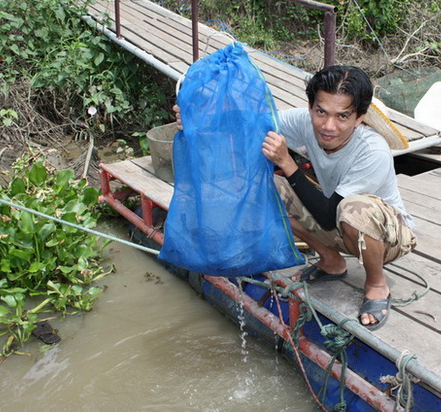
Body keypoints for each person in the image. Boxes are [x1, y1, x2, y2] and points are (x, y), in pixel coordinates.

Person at [175, 65, 417, 331]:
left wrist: (286, 162)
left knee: (353, 208)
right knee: (265, 185)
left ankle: (376, 284)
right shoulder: (305, 122)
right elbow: (253, 122)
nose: (328, 125)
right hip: (337, 217)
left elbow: (327, 216)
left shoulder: (373, 151)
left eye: (342, 116)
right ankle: (331, 261)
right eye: (320, 111)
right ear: (311, 106)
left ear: (359, 118)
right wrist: (198, 120)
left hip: (388, 236)